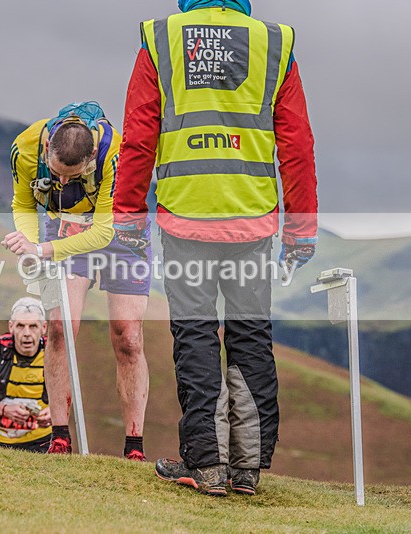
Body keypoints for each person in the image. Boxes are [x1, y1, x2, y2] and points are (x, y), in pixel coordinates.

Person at [113, 0, 318, 495]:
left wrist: (127, 219)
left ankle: (205, 465)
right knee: (250, 336)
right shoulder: (274, 43)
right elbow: (296, 144)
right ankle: (246, 469)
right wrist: (301, 230)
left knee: (197, 336)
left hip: (186, 219)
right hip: (253, 223)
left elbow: (140, 139)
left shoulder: (161, 39)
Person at [1, 102, 151, 460]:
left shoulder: (115, 153)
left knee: (128, 337)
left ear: (91, 159)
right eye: (56, 174)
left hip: (121, 230)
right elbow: (22, 205)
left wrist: (44, 249)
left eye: (74, 175)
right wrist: (30, 244)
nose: (63, 182)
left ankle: (134, 446)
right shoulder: (25, 147)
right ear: (48, 150)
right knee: (60, 328)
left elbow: (101, 233)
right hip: (63, 224)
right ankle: (60, 437)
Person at [0, 298, 53, 452]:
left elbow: (70, 393)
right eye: (20, 326)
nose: (27, 333)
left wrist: (55, 412)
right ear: (11, 326)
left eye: (33, 326)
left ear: (44, 327)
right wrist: (4, 409)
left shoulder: (54, 353)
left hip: (41, 440)